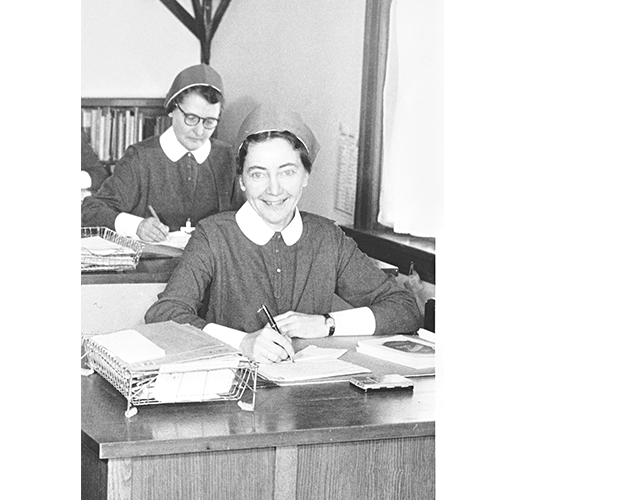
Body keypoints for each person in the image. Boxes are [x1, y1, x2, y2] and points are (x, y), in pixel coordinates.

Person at [145, 104, 422, 363]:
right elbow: (165, 314)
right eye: (258, 174)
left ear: (305, 176)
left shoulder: (327, 237)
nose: (274, 189)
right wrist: (242, 341)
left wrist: (327, 323)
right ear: (241, 181)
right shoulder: (213, 235)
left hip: (310, 389)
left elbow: (405, 308)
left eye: (287, 172)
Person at [81, 64, 242, 242]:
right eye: (191, 118)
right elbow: (92, 211)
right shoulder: (140, 158)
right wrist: (137, 226)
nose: (199, 131)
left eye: (209, 122)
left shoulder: (226, 156)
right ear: (172, 109)